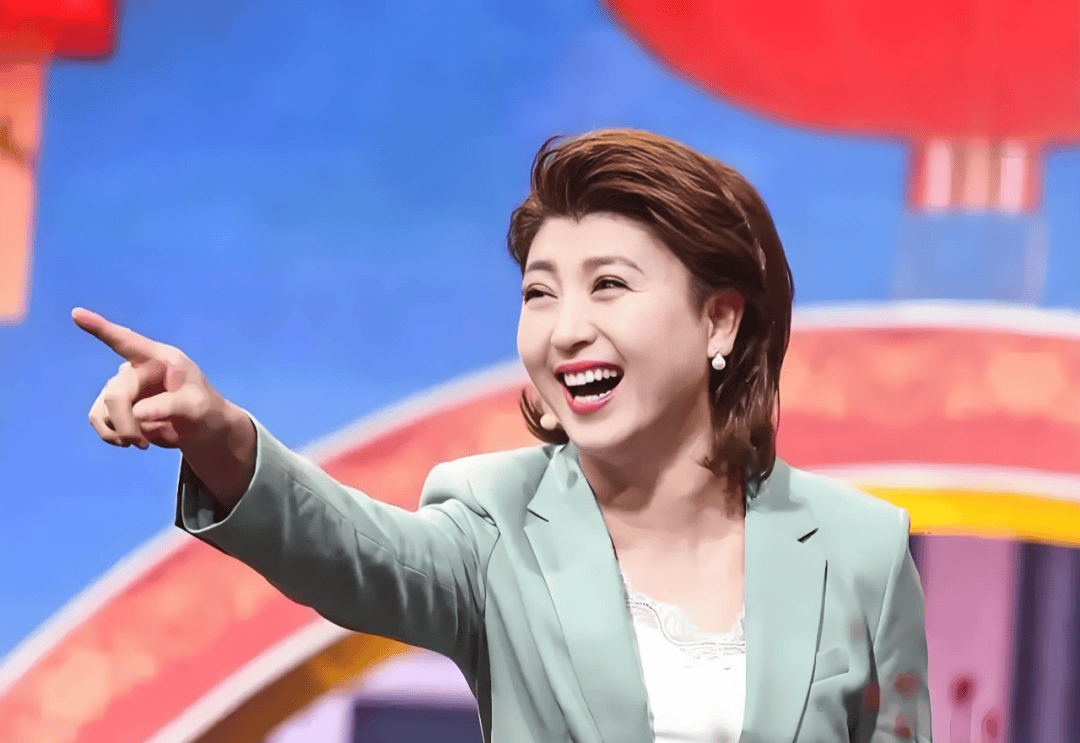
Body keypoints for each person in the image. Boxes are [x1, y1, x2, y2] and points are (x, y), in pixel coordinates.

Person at [74, 128, 931, 743]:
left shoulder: (859, 548)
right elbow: (345, 551)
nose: (566, 330)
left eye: (608, 285)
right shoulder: (494, 521)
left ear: (719, 321)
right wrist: (219, 435)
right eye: (539, 293)